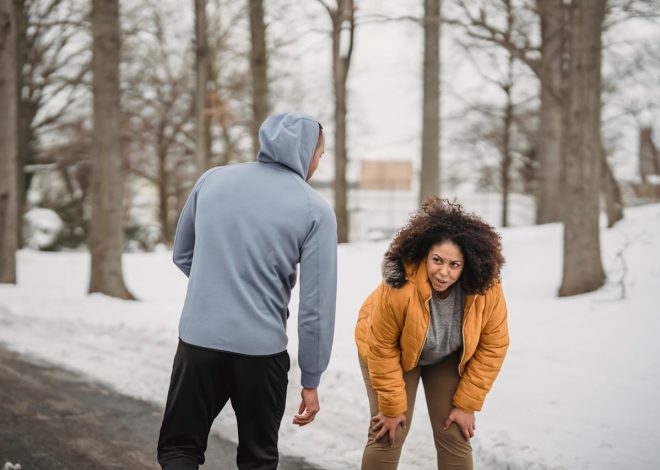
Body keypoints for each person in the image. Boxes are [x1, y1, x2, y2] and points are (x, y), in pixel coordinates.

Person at [157, 112, 337, 470]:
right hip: (261, 353)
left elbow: (183, 254)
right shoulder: (314, 209)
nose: (319, 160)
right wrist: (311, 378)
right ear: (305, 151)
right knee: (258, 460)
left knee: (180, 449)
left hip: (198, 344)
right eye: (320, 153)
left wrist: (219, 286)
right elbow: (316, 307)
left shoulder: (212, 180)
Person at [354, 197, 509, 469]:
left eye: (454, 265)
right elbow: (382, 347)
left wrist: (466, 405)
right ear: (425, 254)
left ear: (468, 265)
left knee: (455, 431)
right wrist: (391, 409)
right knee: (390, 431)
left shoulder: (486, 290)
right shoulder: (401, 285)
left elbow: (493, 347)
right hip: (393, 353)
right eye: (437, 260)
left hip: (445, 354)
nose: (443, 272)